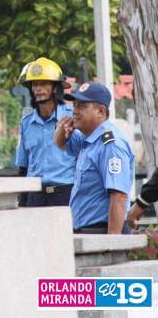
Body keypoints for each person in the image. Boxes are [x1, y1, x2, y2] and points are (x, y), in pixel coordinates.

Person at [54, 82, 134, 234]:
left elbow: (118, 196)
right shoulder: (88, 139)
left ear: (101, 111)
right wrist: (61, 127)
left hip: (102, 231)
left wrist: (112, 245)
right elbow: (60, 143)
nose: (75, 111)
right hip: (84, 230)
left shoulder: (110, 145)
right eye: (75, 105)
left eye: (82, 106)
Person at [14, 58, 76, 206]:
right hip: (35, 196)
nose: (38, 88)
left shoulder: (72, 118)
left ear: (55, 87)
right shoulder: (26, 123)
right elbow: (23, 166)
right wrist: (23, 202)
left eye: (43, 84)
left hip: (66, 194)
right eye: (34, 84)